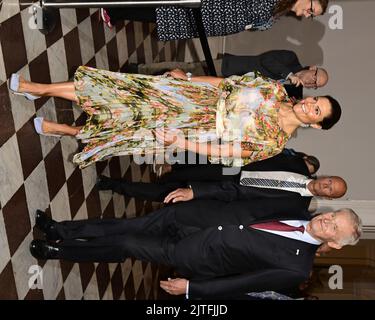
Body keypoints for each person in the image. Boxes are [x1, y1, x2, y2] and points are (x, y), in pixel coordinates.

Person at [9, 68, 341, 169]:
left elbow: (227, 154)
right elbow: (226, 84)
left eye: (316, 111)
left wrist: (181, 143)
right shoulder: (273, 90)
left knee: (126, 129)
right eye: (315, 100)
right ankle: (40, 89)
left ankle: (66, 130)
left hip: (195, 128)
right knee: (119, 89)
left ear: (314, 125)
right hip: (190, 96)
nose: (310, 104)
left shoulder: (274, 143)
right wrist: (189, 78)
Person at [30, 205, 362, 298]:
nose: (327, 222)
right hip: (194, 217)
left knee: (128, 245)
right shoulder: (298, 208)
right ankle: (61, 228)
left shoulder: (297, 269)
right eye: (334, 215)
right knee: (127, 226)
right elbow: (243, 193)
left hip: (195, 255)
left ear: (333, 244)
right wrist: (197, 191)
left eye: (335, 228)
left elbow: (242, 283)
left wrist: (193, 289)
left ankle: (59, 250)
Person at [95, 152, 334, 205]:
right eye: (331, 181)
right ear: (326, 177)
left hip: (228, 196)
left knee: (166, 196)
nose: (327, 185)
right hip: (230, 169)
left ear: (328, 196)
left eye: (331, 190)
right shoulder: (294, 162)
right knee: (180, 176)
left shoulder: (297, 205)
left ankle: (113, 185)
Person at [100, 0, 329, 41]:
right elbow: (252, 11)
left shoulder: (281, 9)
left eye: (311, 14)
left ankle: (118, 11)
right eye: (311, 8)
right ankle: (114, 9)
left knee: (162, 16)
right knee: (161, 11)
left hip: (216, 20)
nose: (306, 14)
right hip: (212, 8)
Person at [135, 50, 329, 90]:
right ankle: (140, 70)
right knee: (186, 69)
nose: (311, 82)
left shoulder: (288, 86)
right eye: (315, 77)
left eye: (315, 85)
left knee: (185, 83)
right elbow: (267, 60)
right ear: (312, 68)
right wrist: (289, 74)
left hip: (227, 85)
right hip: (228, 68)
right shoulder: (291, 59)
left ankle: (146, 84)